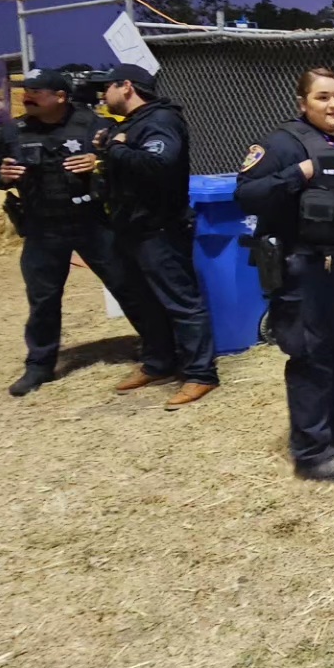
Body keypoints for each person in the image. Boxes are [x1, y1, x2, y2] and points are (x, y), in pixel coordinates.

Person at [236, 66, 334, 483]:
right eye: (323, 97)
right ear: (302, 103)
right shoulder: (284, 144)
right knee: (310, 357)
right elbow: (246, 194)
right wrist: (298, 175)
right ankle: (311, 451)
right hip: (305, 268)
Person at [0, 67, 143, 396]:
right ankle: (39, 366)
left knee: (127, 285)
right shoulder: (14, 131)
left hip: (91, 222)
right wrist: (4, 176)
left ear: (60, 97)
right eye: (26, 90)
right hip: (42, 226)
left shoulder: (94, 124)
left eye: (37, 92)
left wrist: (98, 163)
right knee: (43, 299)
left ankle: (157, 348)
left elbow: (128, 163)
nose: (27, 97)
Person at [98, 63, 219, 409]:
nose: (102, 95)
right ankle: (159, 363)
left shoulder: (161, 121)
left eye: (107, 87)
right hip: (131, 227)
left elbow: (159, 164)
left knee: (181, 301)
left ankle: (200, 374)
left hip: (159, 229)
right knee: (143, 300)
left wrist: (118, 149)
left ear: (126, 87)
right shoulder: (134, 124)